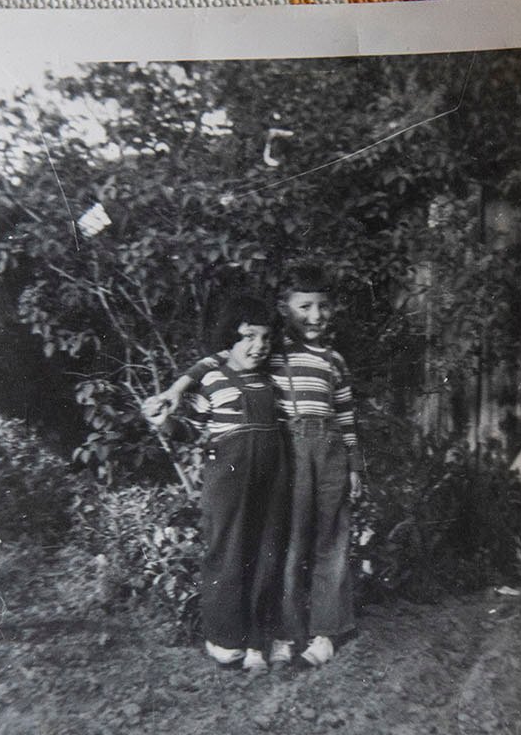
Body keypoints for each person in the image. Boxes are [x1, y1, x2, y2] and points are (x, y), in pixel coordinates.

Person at [146, 263, 360, 667]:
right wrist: (174, 393)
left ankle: (318, 632)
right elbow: (215, 363)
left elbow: (348, 417)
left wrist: (354, 466)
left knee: (320, 541)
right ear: (285, 309)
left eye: (323, 307)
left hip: (320, 454)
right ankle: (280, 630)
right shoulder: (267, 358)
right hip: (277, 457)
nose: (315, 316)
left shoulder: (331, 360)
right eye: (304, 307)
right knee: (282, 545)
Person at [143, 294, 287, 672]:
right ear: (231, 340)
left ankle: (259, 639)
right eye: (248, 337)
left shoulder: (272, 379)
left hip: (272, 478)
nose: (258, 346)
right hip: (227, 477)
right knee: (226, 551)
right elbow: (190, 431)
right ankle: (225, 638)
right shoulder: (212, 377)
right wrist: (162, 419)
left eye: (265, 338)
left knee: (267, 552)